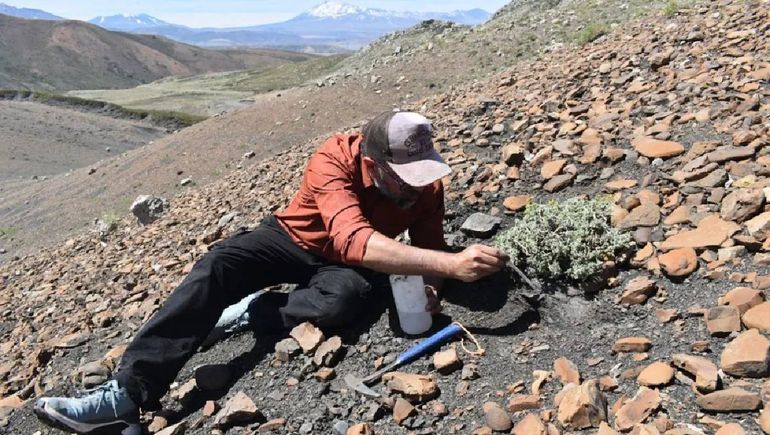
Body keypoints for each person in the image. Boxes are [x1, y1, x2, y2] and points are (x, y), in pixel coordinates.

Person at [33, 110, 508, 434]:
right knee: (218, 266)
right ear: (371, 162)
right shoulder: (334, 158)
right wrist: (449, 266)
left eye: (421, 175)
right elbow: (349, 236)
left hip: (347, 265)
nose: (415, 187)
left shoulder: (425, 183)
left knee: (342, 303)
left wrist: (432, 284)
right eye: (404, 177)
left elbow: (429, 246)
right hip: (290, 240)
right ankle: (126, 394)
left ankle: (254, 312)